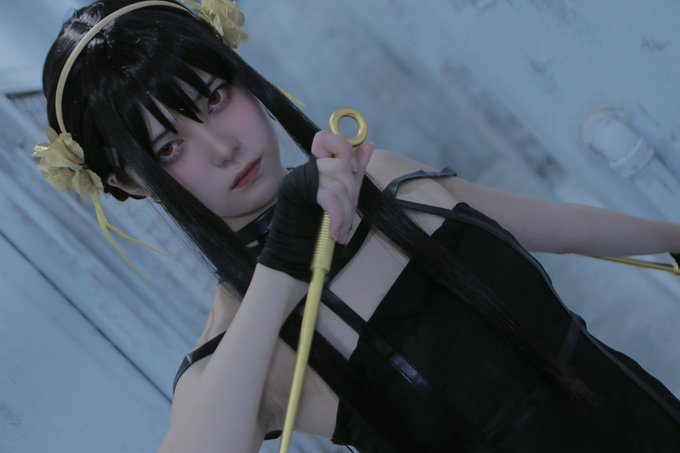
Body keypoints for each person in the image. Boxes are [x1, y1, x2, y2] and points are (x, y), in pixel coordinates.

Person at [36, 0, 680, 451]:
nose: (223, 147)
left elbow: (558, 227)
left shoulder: (383, 178)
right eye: (170, 147)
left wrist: (673, 238)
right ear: (130, 184)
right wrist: (282, 266)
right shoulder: (238, 354)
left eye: (215, 96)